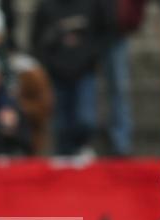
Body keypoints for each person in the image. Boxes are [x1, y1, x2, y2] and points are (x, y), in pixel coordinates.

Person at [32, 0, 108, 157]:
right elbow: (36, 39)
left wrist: (90, 58)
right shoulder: (46, 6)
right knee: (61, 120)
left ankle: (81, 148)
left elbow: (103, 33)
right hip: (57, 73)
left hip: (84, 71)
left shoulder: (92, 5)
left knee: (86, 118)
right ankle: (64, 154)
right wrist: (50, 63)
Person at [101, 0, 149, 156]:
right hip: (88, 30)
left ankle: (121, 143)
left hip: (116, 32)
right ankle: (81, 141)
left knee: (120, 90)